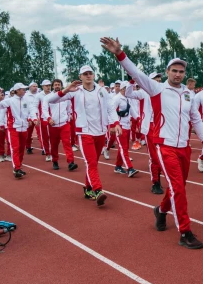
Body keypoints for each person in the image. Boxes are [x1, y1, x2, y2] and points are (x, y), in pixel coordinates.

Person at [101, 37, 203, 249]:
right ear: (168, 71)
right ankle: (185, 232)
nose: (178, 74)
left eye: (181, 71)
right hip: (165, 146)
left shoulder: (188, 95)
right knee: (178, 188)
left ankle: (161, 211)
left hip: (184, 148)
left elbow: (195, 119)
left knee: (177, 188)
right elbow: (136, 73)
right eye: (174, 70)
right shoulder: (156, 89)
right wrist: (119, 53)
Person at [46, 66, 120, 206]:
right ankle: (97, 190)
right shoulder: (75, 91)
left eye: (90, 73)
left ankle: (87, 188)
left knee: (93, 162)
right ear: (80, 77)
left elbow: (110, 108)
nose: (88, 76)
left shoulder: (101, 90)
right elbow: (52, 100)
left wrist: (115, 123)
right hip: (85, 132)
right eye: (85, 74)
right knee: (91, 163)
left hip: (100, 131)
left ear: (93, 75)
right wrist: (67, 89)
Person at [125, 72, 165, 194]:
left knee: (164, 156)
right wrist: (132, 81)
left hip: (164, 126)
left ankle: (161, 178)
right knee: (154, 157)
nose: (158, 81)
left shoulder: (165, 90)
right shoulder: (144, 92)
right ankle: (156, 182)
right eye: (155, 79)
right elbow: (128, 93)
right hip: (150, 127)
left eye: (159, 79)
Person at [0, 83, 38, 178]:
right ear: (17, 90)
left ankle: (18, 166)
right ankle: (16, 168)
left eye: (25, 89)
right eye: (22, 89)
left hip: (24, 127)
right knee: (15, 148)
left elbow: (32, 110)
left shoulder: (27, 100)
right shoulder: (10, 101)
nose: (24, 91)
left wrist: (34, 118)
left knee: (21, 148)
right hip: (13, 128)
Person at [42, 79, 78, 171]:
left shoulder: (66, 96)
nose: (57, 86)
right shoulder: (48, 97)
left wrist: (69, 115)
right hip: (53, 125)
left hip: (64, 123)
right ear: (53, 86)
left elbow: (69, 108)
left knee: (67, 143)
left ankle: (70, 162)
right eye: (55, 85)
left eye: (59, 84)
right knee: (54, 144)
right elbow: (44, 110)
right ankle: (55, 161)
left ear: (61, 86)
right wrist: (49, 118)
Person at [112, 81, 139, 177]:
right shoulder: (116, 98)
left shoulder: (127, 98)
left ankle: (118, 166)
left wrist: (138, 118)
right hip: (120, 127)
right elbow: (111, 111)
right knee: (123, 148)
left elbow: (131, 110)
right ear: (123, 89)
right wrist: (115, 124)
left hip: (127, 126)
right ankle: (130, 168)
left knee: (124, 147)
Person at [33, 79, 52, 161]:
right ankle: (47, 153)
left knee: (53, 137)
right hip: (43, 119)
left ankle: (53, 152)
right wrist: (37, 117)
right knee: (45, 137)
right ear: (43, 86)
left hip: (53, 119)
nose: (48, 87)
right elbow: (35, 107)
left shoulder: (53, 94)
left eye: (49, 85)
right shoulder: (39, 95)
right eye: (46, 86)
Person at [24, 82, 39, 154]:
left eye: (36, 86)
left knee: (40, 133)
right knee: (28, 133)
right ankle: (28, 147)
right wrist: (28, 118)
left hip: (38, 116)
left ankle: (44, 148)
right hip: (29, 116)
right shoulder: (26, 96)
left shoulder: (39, 94)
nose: (35, 87)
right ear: (29, 87)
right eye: (34, 86)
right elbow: (25, 108)